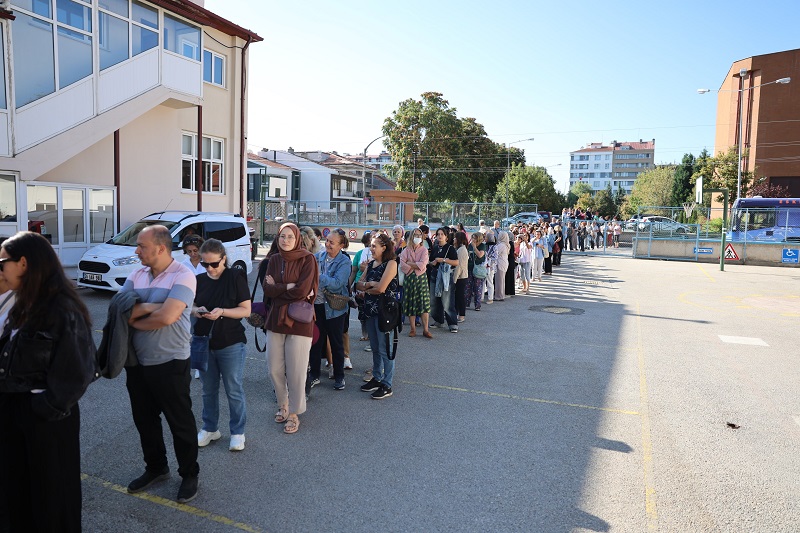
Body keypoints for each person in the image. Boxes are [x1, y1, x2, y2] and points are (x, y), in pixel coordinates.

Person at [0, 232, 96, 532]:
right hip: (17, 411)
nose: (0, 269)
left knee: (53, 498)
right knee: (19, 494)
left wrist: (41, 408)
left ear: (24, 263)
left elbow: (78, 372)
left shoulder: (61, 308)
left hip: (47, 420)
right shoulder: (25, 304)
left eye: (3, 262)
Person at [122, 225, 200, 503]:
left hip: (171, 362)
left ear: (161, 248)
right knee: (144, 420)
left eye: (141, 246)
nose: (136, 250)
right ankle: (156, 468)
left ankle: (189, 474)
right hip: (137, 363)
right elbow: (120, 309)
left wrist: (139, 311)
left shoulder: (184, 274)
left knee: (180, 422)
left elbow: (167, 318)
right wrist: (153, 307)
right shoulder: (136, 274)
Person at [192, 239, 251, 452]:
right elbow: (189, 304)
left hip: (231, 342)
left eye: (214, 264)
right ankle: (210, 428)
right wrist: (196, 310)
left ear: (223, 258)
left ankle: (237, 432)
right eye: (205, 264)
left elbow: (245, 310)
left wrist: (222, 312)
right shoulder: (198, 279)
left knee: (233, 389)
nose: (210, 269)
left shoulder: (235, 276)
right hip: (204, 342)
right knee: (208, 389)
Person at [263, 223, 319, 434]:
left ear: (297, 239)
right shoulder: (274, 260)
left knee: (296, 371)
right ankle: (283, 404)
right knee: (274, 368)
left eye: (289, 237)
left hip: (299, 320)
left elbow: (303, 291)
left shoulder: (308, 259)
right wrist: (287, 287)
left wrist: (279, 289)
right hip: (276, 318)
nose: (285, 240)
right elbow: (266, 289)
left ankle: (294, 413)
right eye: (282, 237)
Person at [308, 229, 351, 395]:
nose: (327, 244)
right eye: (327, 241)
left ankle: (339, 375)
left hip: (334, 309)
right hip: (317, 306)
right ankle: (315, 374)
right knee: (316, 342)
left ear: (341, 245)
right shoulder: (318, 257)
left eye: (332, 242)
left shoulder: (344, 262)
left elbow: (338, 284)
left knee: (336, 343)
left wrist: (318, 277)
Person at [356, 233, 399, 399]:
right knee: (374, 347)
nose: (371, 249)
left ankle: (387, 384)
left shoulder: (391, 264)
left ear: (384, 247)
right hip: (370, 310)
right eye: (371, 245)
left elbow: (381, 289)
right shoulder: (371, 264)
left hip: (385, 312)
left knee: (385, 349)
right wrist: (369, 285)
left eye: (374, 246)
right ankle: (377, 377)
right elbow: (359, 283)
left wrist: (368, 288)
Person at [399, 227, 432, 338]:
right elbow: (402, 264)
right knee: (410, 304)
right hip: (409, 279)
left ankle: (425, 329)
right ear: (411, 237)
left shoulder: (424, 250)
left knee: (424, 303)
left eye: (419, 235)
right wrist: (415, 265)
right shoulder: (406, 250)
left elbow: (423, 265)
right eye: (415, 235)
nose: (417, 237)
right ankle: (412, 329)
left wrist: (411, 263)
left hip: (421, 279)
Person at [428, 227, 459, 333]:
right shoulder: (435, 247)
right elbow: (431, 261)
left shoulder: (450, 248)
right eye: (438, 234)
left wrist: (443, 260)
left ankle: (452, 323)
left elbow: (456, 262)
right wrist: (432, 262)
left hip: (445, 276)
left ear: (446, 236)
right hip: (435, 275)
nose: (440, 236)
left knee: (447, 301)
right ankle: (438, 320)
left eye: (442, 234)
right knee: (434, 300)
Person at [465, 231, 486, 310]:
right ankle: (466, 303)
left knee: (478, 288)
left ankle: (477, 305)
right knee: (468, 287)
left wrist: (474, 247)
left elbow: (480, 255)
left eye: (475, 238)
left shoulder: (482, 246)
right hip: (469, 268)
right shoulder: (469, 246)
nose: (473, 240)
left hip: (478, 269)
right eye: (472, 238)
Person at [453, 231, 469, 323]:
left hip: (461, 277)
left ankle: (462, 315)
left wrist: (454, 280)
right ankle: (457, 313)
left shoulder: (462, 250)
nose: (454, 239)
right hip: (460, 276)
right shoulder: (460, 249)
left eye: (455, 238)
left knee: (460, 297)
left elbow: (459, 266)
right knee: (457, 296)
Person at [494, 230, 509, 301]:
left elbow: (495, 253)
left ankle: (499, 296)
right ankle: (501, 295)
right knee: (502, 280)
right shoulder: (505, 244)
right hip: (504, 263)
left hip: (500, 263)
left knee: (499, 280)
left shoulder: (501, 245)